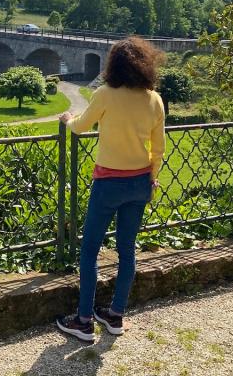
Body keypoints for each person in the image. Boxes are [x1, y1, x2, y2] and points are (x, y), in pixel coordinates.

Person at [56, 37, 165, 341]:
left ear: (114, 64)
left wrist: (67, 119)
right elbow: (159, 148)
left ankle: (84, 320)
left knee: (90, 250)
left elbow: (80, 126)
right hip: (140, 181)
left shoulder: (105, 94)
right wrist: (152, 176)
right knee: (126, 249)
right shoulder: (153, 99)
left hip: (108, 183)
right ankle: (115, 315)